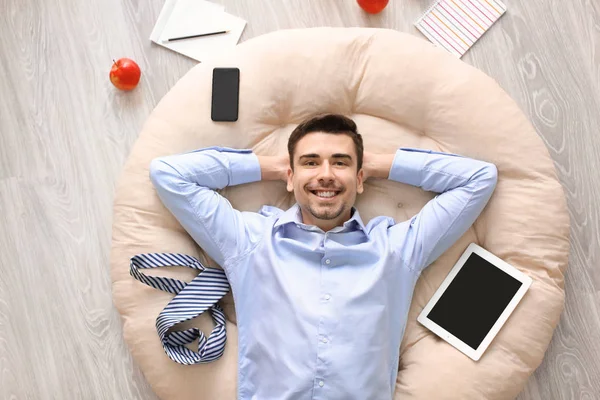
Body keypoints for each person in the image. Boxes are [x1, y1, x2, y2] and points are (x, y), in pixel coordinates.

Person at [149, 113, 498, 400]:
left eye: (341, 163)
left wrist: (376, 164)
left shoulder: (396, 249)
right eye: (311, 162)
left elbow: (479, 179)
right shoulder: (249, 241)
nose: (327, 174)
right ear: (290, 175)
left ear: (360, 178)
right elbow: (168, 174)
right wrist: (274, 168)